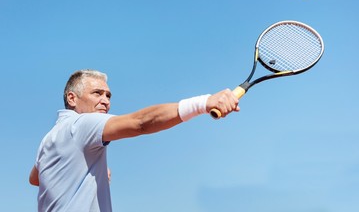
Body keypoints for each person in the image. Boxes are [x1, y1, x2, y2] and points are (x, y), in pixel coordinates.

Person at [29, 69, 240, 212]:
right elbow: (140, 123)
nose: (105, 100)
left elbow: (35, 178)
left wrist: (91, 171)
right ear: (72, 98)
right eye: (97, 93)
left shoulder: (49, 138)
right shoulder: (82, 124)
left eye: (108, 96)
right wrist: (204, 103)